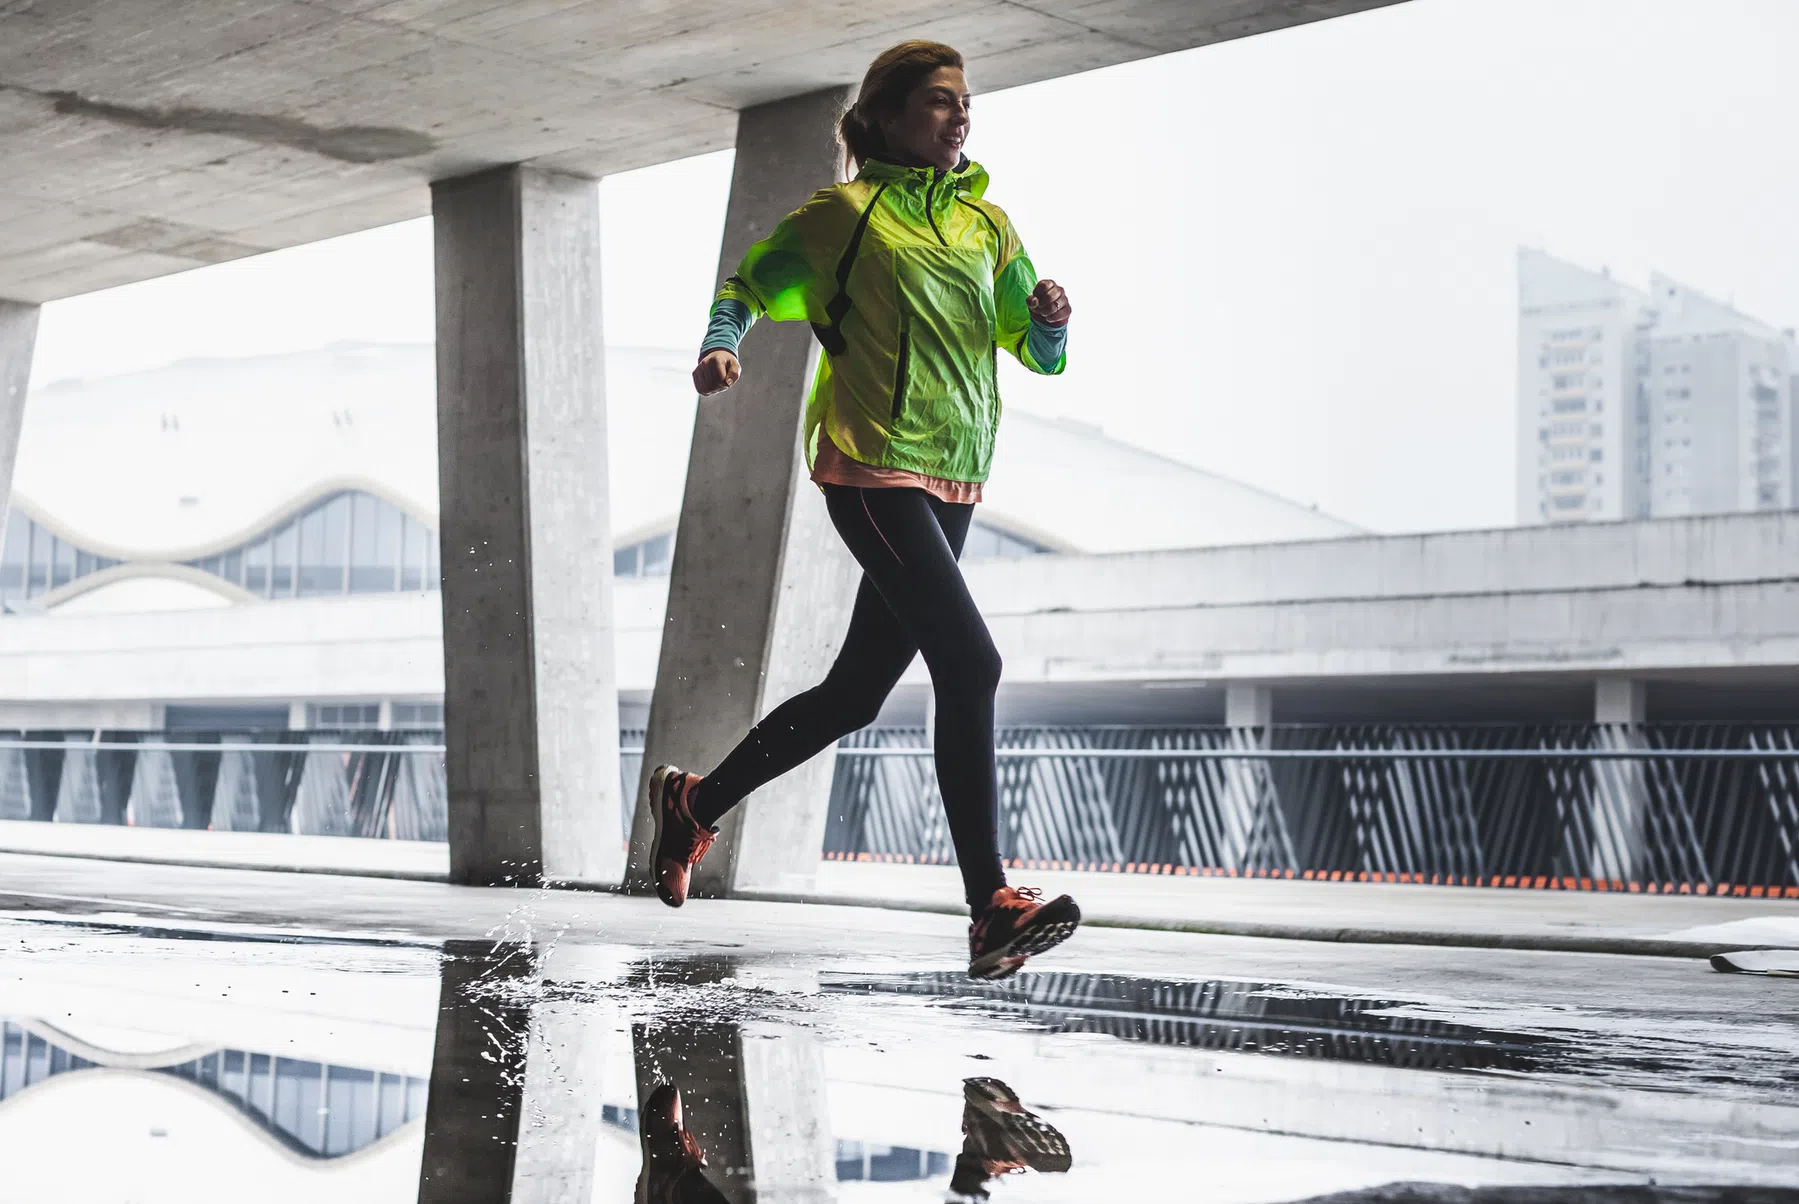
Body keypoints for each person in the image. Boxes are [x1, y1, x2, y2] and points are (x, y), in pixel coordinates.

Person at [647, 39, 1080, 982]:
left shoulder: (989, 226)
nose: (957, 116)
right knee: (971, 661)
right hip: (871, 467)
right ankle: (989, 905)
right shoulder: (845, 215)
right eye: (935, 101)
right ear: (882, 117)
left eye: (963, 102)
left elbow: (1032, 353)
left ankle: (692, 805)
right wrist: (723, 345)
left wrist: (1046, 319)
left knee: (856, 694)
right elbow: (748, 284)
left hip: (955, 471)